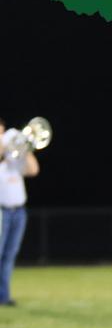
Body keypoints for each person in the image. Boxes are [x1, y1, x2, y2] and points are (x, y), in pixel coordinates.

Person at [0, 118, 41, 307]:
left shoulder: (14, 158)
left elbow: (33, 170)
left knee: (9, 255)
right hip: (1, 212)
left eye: (2, 132)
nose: (2, 137)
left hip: (18, 212)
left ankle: (3, 296)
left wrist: (26, 148)